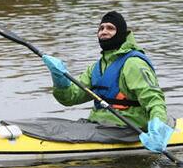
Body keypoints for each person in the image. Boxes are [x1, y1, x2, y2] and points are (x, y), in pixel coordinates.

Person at [41, 11, 174, 153]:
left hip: (129, 129)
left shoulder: (134, 64)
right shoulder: (96, 68)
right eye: (101, 28)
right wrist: (59, 78)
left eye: (110, 28)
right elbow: (70, 98)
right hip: (100, 125)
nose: (104, 32)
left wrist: (158, 130)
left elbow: (154, 100)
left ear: (121, 33)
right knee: (46, 125)